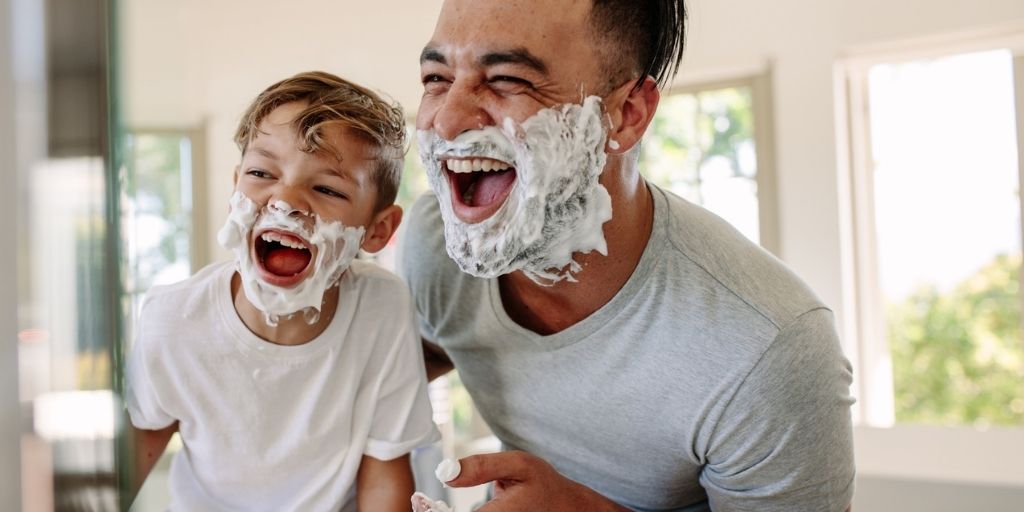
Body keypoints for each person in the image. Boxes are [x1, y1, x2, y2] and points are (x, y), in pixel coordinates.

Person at [397, 1, 855, 511]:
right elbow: (426, 350)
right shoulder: (434, 246)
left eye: (508, 79)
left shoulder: (768, 347)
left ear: (627, 115)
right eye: (436, 77)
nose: (447, 120)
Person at [125, 71, 440, 511]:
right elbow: (129, 460)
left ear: (377, 230)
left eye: (327, 188)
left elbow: (384, 473)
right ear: (235, 186)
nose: (285, 200)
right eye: (260, 173)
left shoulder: (381, 309)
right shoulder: (174, 320)